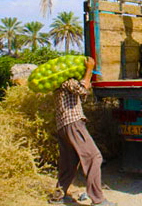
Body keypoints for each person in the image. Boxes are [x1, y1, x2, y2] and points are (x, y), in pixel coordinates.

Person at [49, 56, 116, 206]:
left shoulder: (58, 84)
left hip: (63, 126)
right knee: (94, 157)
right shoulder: (68, 81)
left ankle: (58, 197)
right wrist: (90, 69)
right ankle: (98, 200)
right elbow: (83, 89)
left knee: (69, 162)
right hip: (73, 124)